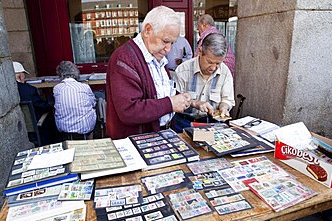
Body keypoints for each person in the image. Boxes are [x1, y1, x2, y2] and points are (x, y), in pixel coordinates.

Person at [106, 6, 192, 139]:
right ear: (147, 30)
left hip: (159, 137)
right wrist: (170, 104)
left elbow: (158, 92)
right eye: (165, 41)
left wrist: (185, 100)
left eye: (172, 43)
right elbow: (129, 111)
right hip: (136, 144)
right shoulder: (124, 58)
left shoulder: (156, 55)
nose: (168, 49)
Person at [173, 33, 235, 131]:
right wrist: (194, 103)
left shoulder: (225, 72)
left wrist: (224, 107)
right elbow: (174, 101)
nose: (213, 68)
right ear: (200, 51)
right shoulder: (183, 70)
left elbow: (227, 100)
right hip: (184, 123)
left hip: (213, 123)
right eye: (209, 62)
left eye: (218, 63)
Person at [53, 61, 97, 140]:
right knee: (93, 110)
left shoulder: (56, 88)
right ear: (75, 72)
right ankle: (90, 141)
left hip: (64, 129)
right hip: (84, 128)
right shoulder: (84, 87)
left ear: (59, 73)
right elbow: (93, 103)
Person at [13, 61, 54, 145]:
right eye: (24, 75)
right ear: (20, 76)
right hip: (35, 127)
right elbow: (43, 106)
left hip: (18, 127)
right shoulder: (29, 90)